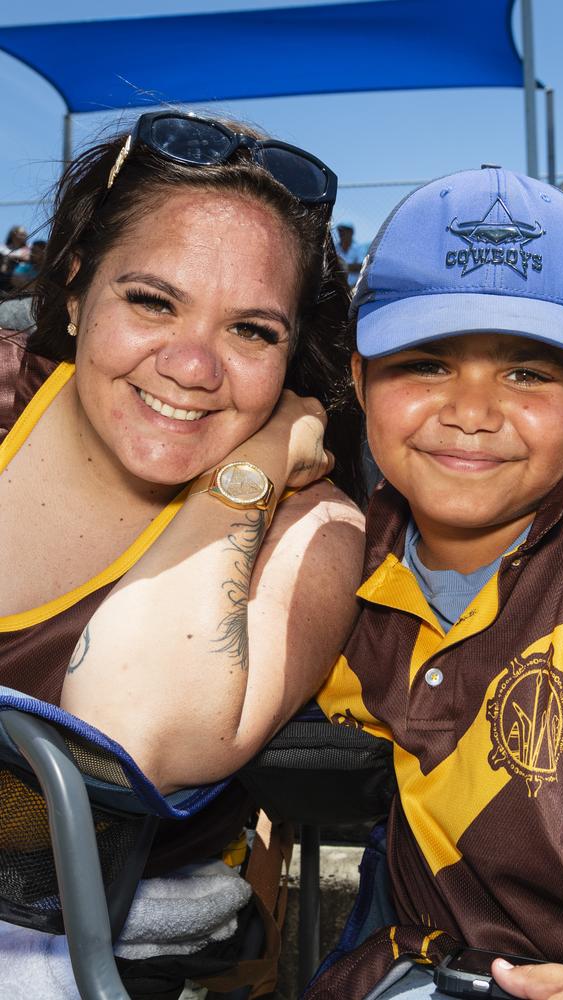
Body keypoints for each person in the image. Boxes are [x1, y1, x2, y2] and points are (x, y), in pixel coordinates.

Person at [307, 166, 563, 999]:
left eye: (529, 372)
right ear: (357, 377)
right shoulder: (336, 558)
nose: (472, 410)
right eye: (426, 363)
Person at [0, 110, 365, 797]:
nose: (193, 367)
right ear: (76, 292)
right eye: (152, 303)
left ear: (291, 355)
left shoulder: (313, 531)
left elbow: (129, 739)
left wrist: (253, 471)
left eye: (251, 331)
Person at [333, 220, 364, 286]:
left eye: (344, 231)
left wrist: (343, 267)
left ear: (351, 232)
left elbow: (362, 266)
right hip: (337, 287)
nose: (341, 233)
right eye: (340, 231)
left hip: (354, 287)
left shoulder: (358, 248)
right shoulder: (335, 248)